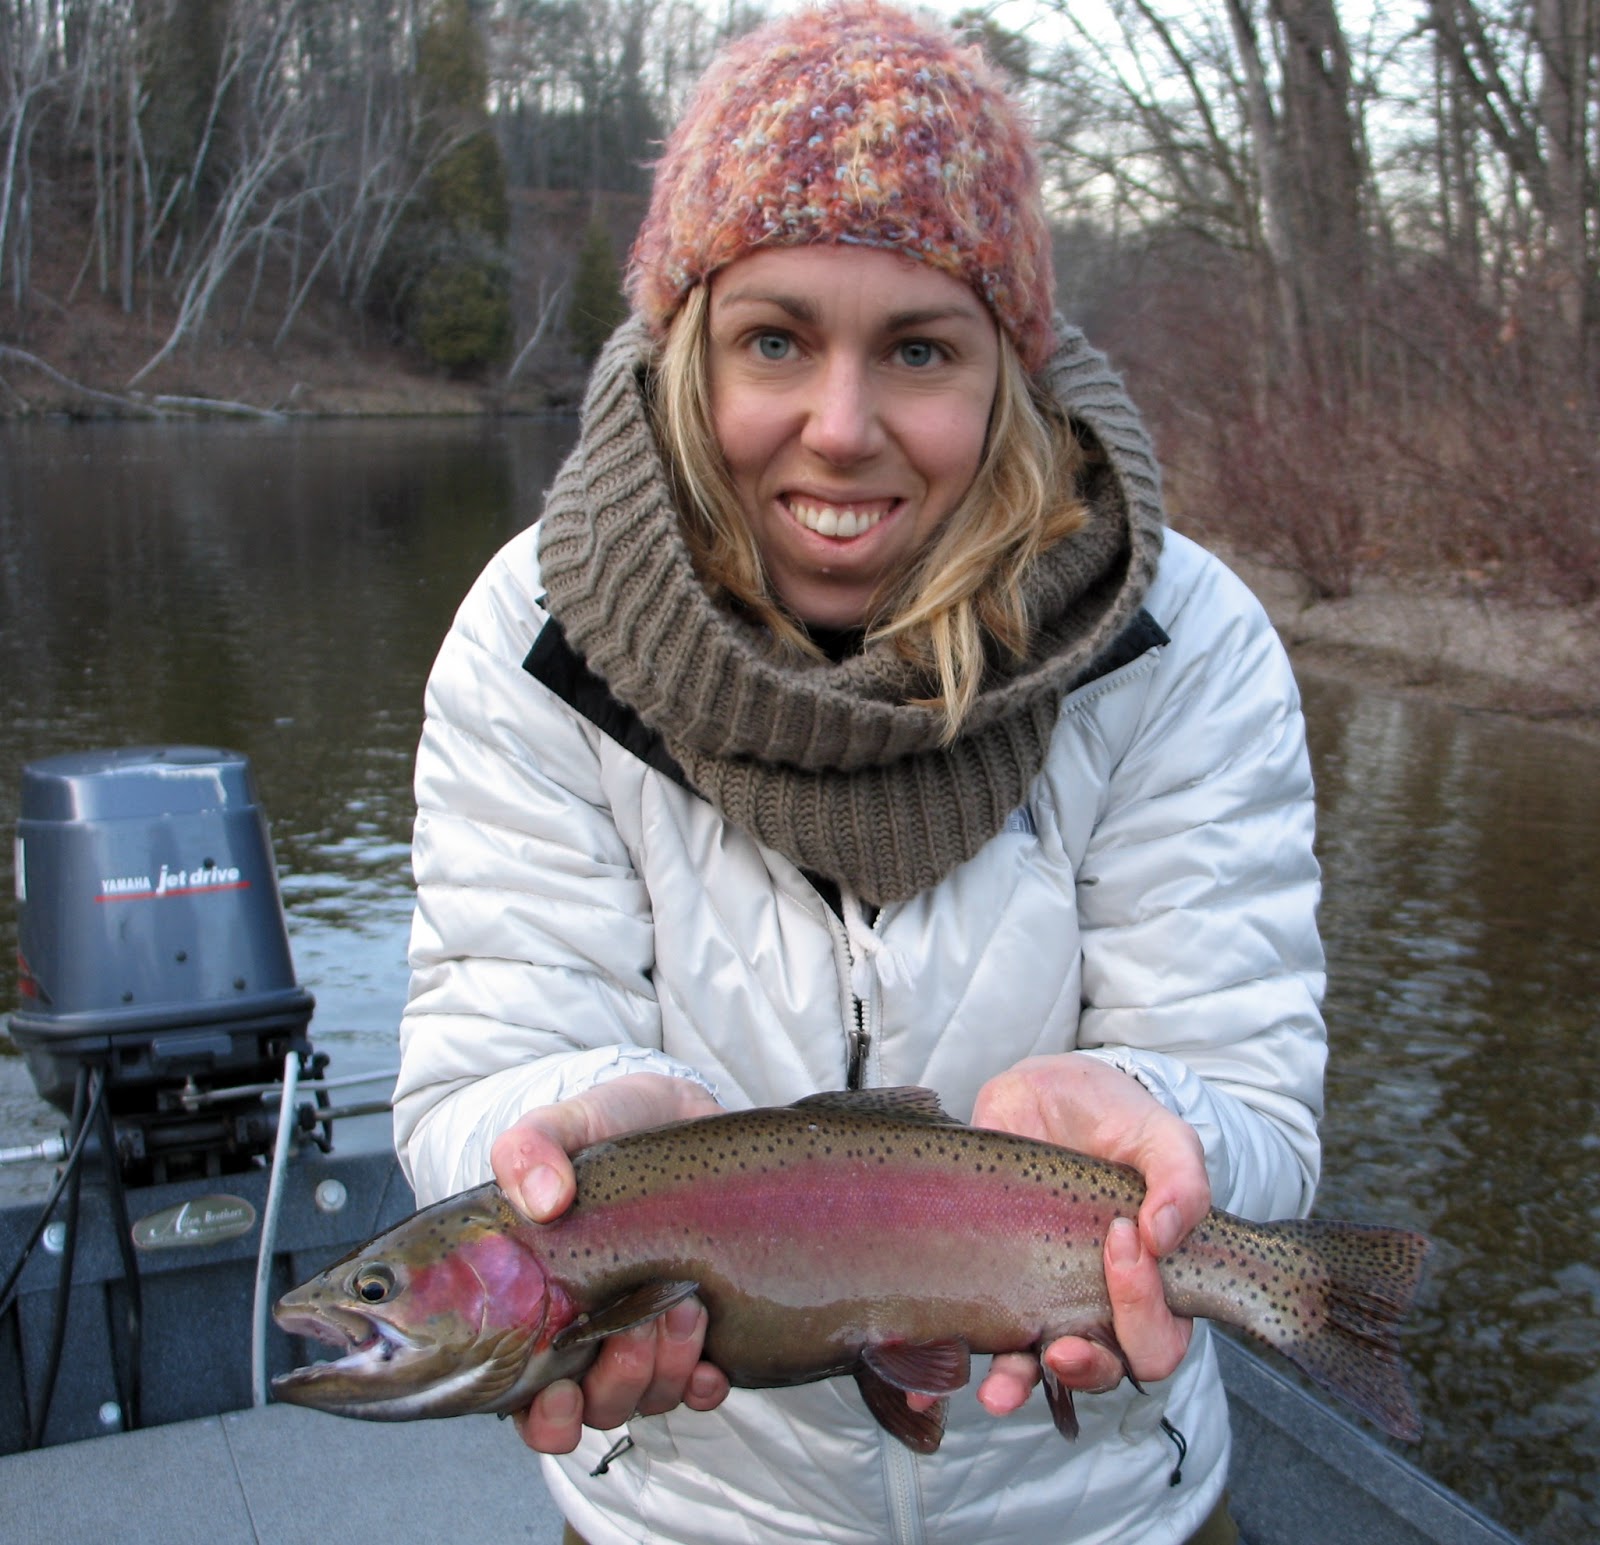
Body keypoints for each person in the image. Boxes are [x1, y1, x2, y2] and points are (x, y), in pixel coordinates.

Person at [393, 4, 1326, 1542]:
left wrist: (1170, 1128)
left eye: (917, 349)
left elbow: (1251, 1105)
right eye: (775, 339)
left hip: (1103, 1506)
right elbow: (487, 1058)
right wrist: (570, 1131)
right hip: (682, 1513)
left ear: (1010, 371)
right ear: (687, 346)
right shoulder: (534, 640)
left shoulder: (1177, 640)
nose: (840, 429)